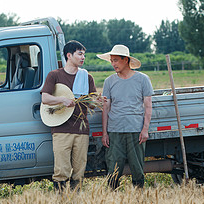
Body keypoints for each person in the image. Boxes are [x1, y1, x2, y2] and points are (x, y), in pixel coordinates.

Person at [41, 40, 97, 190]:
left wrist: (97, 101)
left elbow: (92, 103)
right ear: (69, 55)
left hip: (81, 129)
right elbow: (45, 98)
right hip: (61, 129)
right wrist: (62, 100)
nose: (83, 57)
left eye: (83, 54)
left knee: (79, 171)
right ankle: (61, 202)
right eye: (80, 54)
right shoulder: (55, 75)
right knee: (61, 170)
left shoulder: (87, 77)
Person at [97, 45, 153, 189]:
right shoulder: (109, 81)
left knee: (137, 166)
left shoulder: (142, 79)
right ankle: (113, 199)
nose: (113, 64)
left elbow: (148, 105)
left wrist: (145, 129)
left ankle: (139, 198)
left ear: (126, 60)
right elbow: (106, 107)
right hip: (115, 131)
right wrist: (105, 133)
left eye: (116, 60)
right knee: (113, 167)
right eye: (111, 61)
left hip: (135, 129)